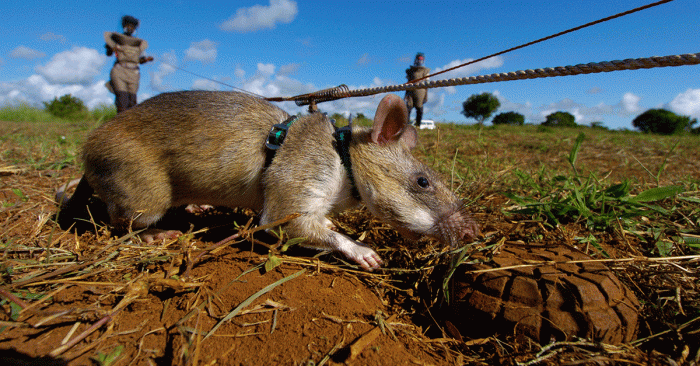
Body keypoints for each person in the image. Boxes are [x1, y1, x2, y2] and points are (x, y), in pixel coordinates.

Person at [104, 15, 154, 113]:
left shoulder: (138, 44)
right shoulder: (116, 39)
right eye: (128, 26)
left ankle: (130, 126)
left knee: (132, 101)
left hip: (134, 73)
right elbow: (108, 54)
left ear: (135, 29)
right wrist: (111, 48)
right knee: (122, 98)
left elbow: (140, 60)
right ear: (124, 26)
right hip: (119, 71)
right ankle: (119, 124)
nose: (130, 28)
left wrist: (147, 59)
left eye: (132, 26)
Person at [404, 52, 430, 128]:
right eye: (419, 59)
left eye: (421, 60)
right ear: (416, 60)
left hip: (420, 92)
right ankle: (405, 125)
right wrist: (406, 94)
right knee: (408, 108)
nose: (420, 61)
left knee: (419, 108)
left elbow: (427, 85)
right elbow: (407, 83)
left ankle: (418, 125)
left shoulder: (425, 71)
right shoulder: (410, 71)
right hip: (410, 91)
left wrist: (426, 96)